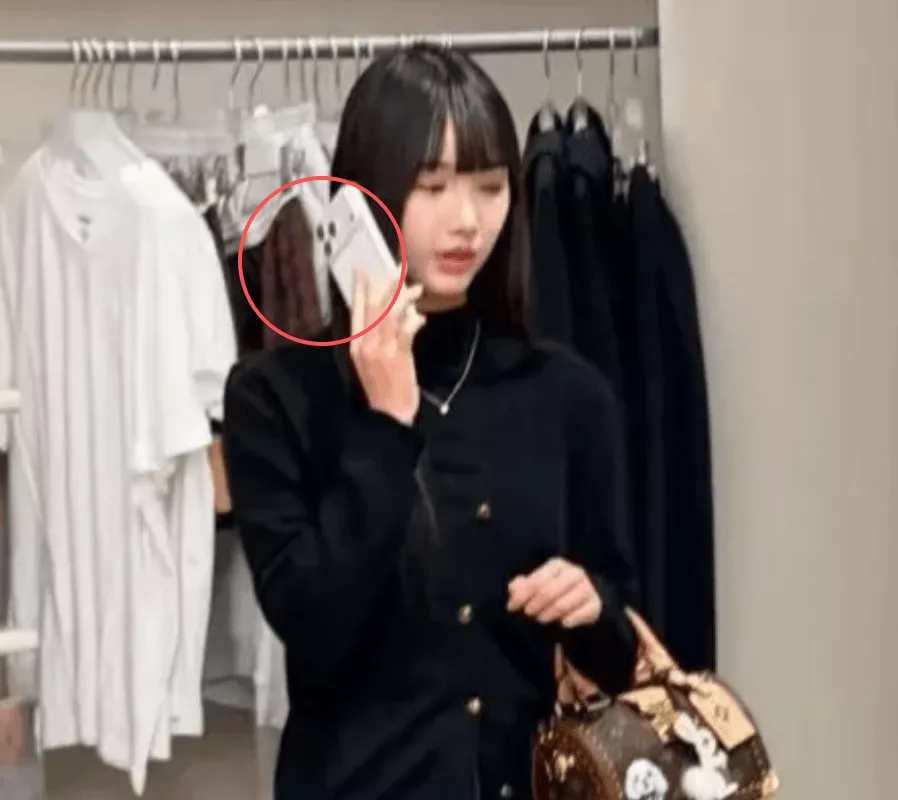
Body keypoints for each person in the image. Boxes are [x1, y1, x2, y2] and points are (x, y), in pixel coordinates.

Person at [222, 43, 640, 800]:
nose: (468, 220)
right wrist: (387, 420)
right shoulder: (275, 396)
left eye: (490, 187)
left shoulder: (568, 395)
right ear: (363, 196)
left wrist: (591, 606)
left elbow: (617, 656)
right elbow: (314, 627)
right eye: (433, 186)